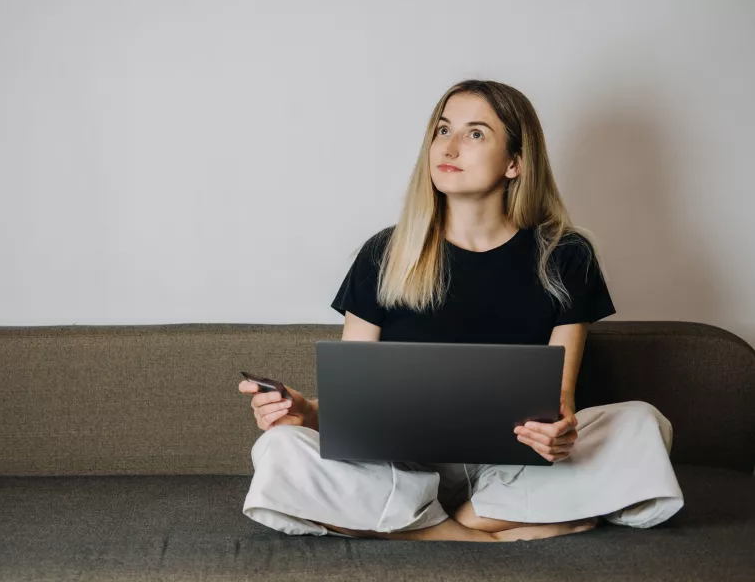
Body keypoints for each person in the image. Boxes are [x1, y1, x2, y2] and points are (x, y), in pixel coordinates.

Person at [237, 79, 684, 542]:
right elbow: (354, 411)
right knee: (280, 448)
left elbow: (561, 403)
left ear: (515, 162)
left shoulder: (566, 255)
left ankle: (433, 526)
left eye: (475, 134)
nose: (449, 146)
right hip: (401, 470)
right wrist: (304, 410)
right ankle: (480, 533)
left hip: (519, 469)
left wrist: (561, 434)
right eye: (443, 129)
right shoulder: (384, 254)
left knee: (644, 424)